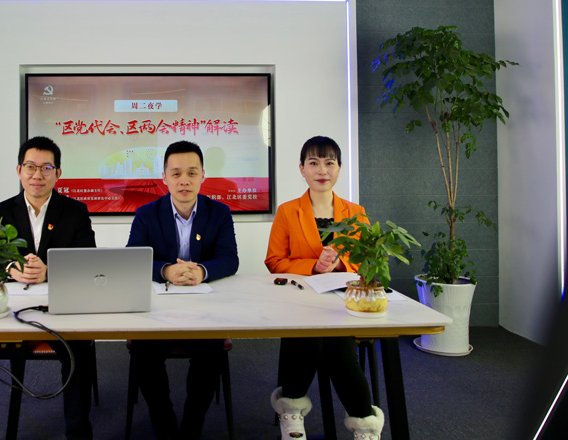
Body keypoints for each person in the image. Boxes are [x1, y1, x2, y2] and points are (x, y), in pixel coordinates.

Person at [0, 136, 96, 440]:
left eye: (46, 168)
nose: (38, 175)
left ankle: (78, 434)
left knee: (80, 349)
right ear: (19, 170)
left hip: (59, 306)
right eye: (30, 167)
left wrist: (50, 270)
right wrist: (12, 267)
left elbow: (88, 259)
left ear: (57, 173)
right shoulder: (1, 212)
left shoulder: (75, 211)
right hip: (10, 307)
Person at [264, 136, 385, 440]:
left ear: (339, 168)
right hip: (299, 301)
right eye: (314, 163)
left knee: (336, 347)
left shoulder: (356, 212)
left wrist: (341, 263)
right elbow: (274, 261)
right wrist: (313, 267)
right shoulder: (288, 211)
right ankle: (294, 414)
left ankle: (363, 424)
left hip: (342, 303)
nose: (322, 170)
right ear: (302, 169)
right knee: (310, 339)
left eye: (329, 162)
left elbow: (368, 263)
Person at [126, 140, 239, 440]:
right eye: (176, 174)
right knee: (143, 352)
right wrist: (166, 270)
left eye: (191, 172)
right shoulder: (146, 213)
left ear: (203, 175)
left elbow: (230, 259)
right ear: (164, 177)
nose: (184, 181)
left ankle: (191, 427)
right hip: (158, 310)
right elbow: (133, 257)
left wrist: (202, 271)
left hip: (204, 309)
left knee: (211, 351)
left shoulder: (219, 212)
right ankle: (165, 426)